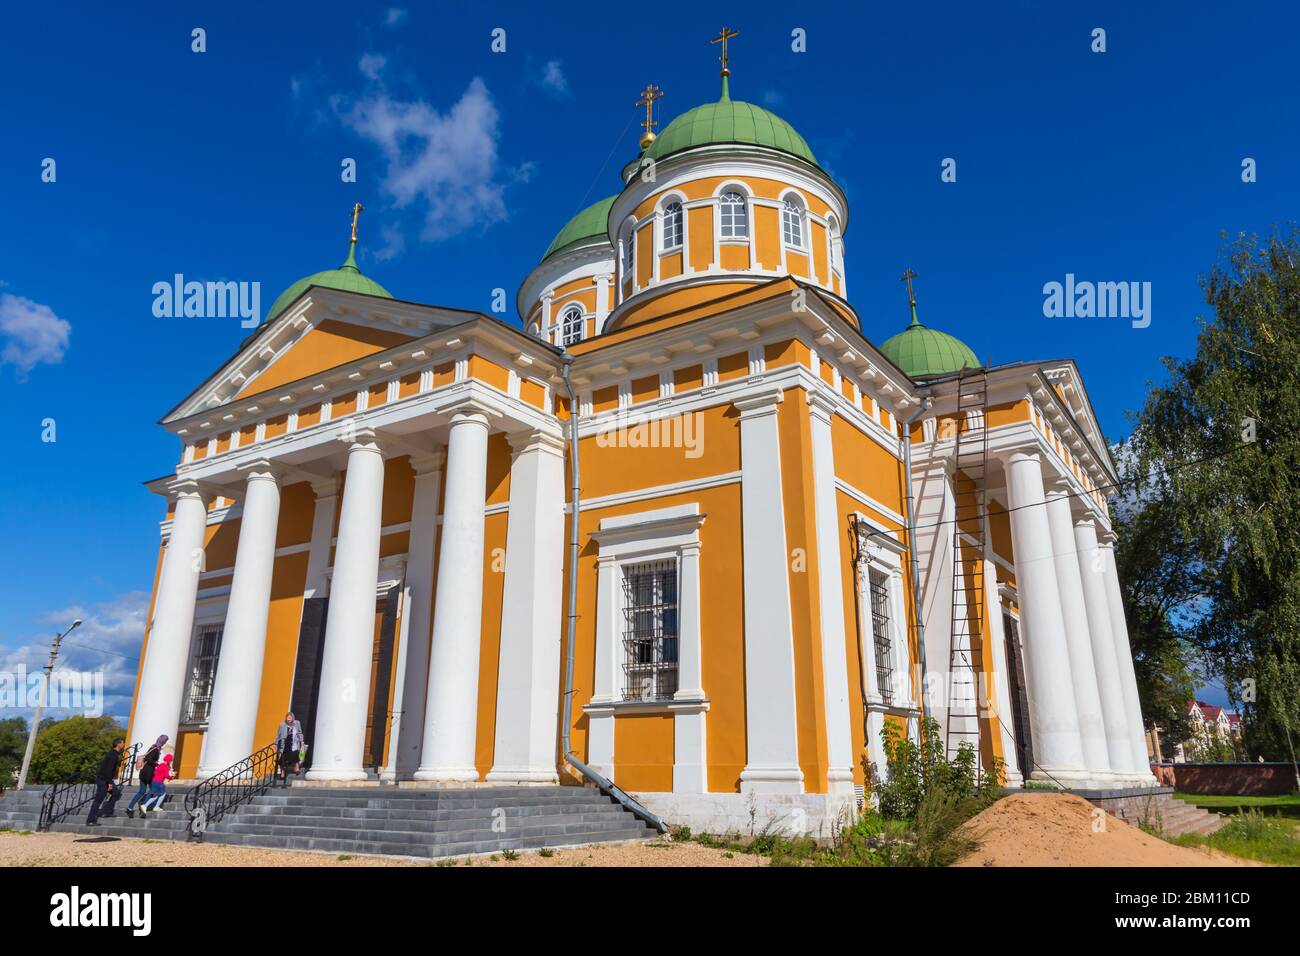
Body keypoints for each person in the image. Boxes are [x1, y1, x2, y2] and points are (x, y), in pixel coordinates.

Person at [126, 735, 168, 819]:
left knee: (141, 791)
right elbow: (149, 759)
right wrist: (157, 764)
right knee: (153, 790)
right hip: (149, 773)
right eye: (165, 741)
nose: (165, 743)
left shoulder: (153, 747)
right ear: (162, 741)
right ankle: (143, 806)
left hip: (143, 772)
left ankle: (130, 808)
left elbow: (147, 758)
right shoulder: (156, 749)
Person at [85, 738, 125, 826]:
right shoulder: (112, 755)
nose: (123, 745)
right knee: (98, 800)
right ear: (118, 744)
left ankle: (106, 812)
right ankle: (90, 820)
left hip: (105, 779)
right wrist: (109, 783)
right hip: (103, 780)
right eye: (122, 743)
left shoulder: (114, 754)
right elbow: (108, 770)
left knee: (116, 793)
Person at [275, 712, 304, 787]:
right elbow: (278, 735)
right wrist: (276, 744)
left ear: (293, 718)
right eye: (287, 718)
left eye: (290, 718)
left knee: (295, 756)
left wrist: (302, 741)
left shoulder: (297, 723)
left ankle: (296, 769)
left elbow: (300, 733)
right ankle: (282, 773)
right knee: (282, 760)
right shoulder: (282, 725)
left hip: (293, 743)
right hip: (285, 744)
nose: (288, 720)